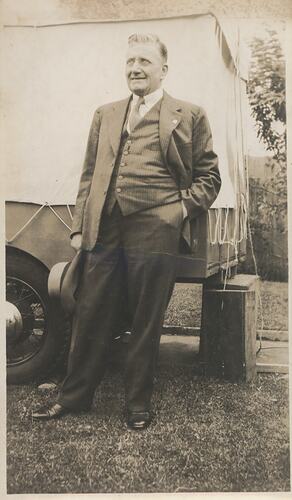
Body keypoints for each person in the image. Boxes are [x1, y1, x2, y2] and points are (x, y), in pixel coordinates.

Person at [32, 33, 221, 429]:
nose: (135, 68)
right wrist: (81, 228)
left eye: (145, 62)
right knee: (90, 310)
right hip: (106, 227)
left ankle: (137, 404)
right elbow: (89, 175)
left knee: (145, 316)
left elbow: (209, 177)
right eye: (130, 61)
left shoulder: (189, 114)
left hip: (157, 227)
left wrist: (179, 210)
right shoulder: (106, 113)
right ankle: (75, 396)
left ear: (163, 70)